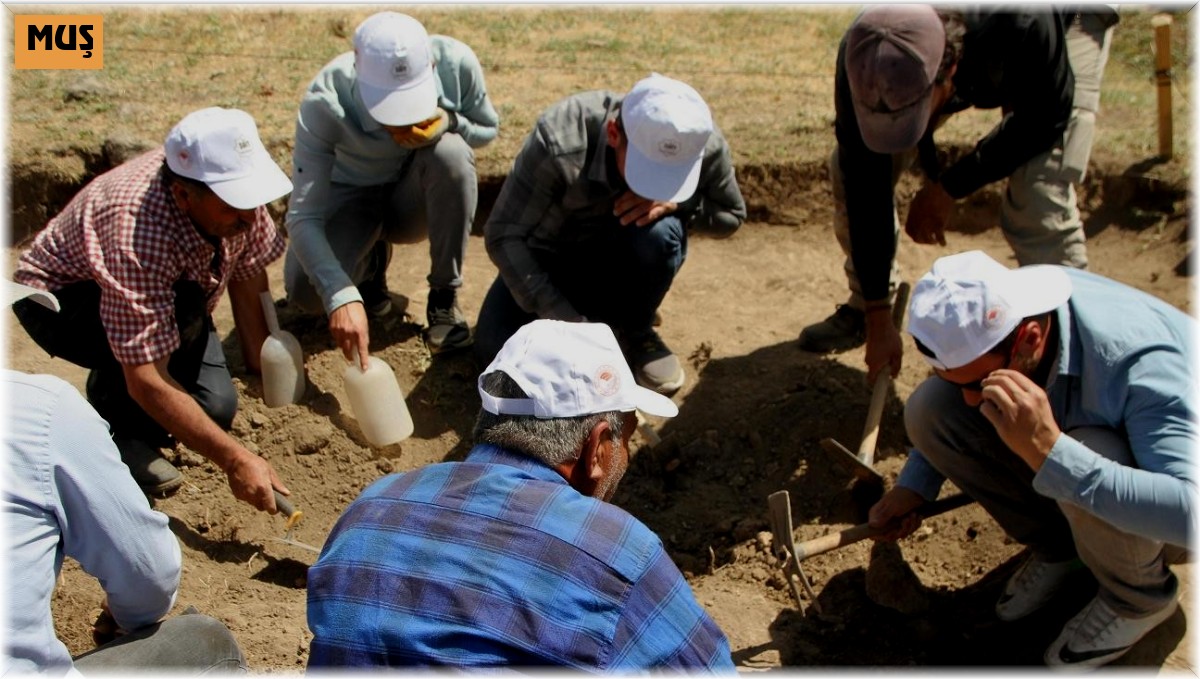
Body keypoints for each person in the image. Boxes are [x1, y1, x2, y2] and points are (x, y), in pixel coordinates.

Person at [307, 319, 735, 670]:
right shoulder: (617, 553)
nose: (627, 452)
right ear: (597, 448)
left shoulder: (370, 509)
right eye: (627, 436)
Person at [868, 250, 1193, 668]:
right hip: (1093, 440)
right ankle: (1061, 550)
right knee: (931, 408)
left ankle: (1139, 598)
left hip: (1174, 512)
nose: (972, 401)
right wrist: (916, 484)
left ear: (1030, 340)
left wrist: (1053, 454)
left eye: (980, 382)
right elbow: (959, 396)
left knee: (1088, 452)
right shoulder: (1003, 305)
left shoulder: (1141, 365)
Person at [798, 5, 1120, 385]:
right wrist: (878, 314)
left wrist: (949, 187)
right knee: (848, 169)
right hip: (974, 49)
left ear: (948, 74)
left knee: (1037, 194)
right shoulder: (866, 50)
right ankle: (866, 303)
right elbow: (865, 183)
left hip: (1066, 21)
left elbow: (1045, 116)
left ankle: (1074, 359)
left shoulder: (1022, 21)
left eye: (912, 113)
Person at [13, 107, 294, 513]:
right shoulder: (135, 233)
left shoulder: (238, 202)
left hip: (170, 297)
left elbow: (248, 274)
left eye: (253, 200)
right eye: (235, 205)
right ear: (184, 195)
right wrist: (236, 460)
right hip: (62, 301)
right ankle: (110, 429)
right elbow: (146, 378)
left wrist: (263, 365)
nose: (250, 217)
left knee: (216, 408)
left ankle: (136, 384)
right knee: (164, 344)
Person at [475, 72, 746, 396]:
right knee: (496, 354)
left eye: (671, 175)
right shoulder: (562, 139)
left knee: (660, 235)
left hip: (624, 260)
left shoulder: (700, 142)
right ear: (615, 133)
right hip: (551, 259)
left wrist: (680, 202)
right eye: (647, 170)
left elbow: (731, 215)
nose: (654, 186)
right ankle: (590, 329)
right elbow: (503, 234)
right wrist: (569, 324)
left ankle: (634, 328)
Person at [284, 11, 500, 365]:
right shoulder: (325, 100)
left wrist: (451, 120)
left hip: (412, 197)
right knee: (306, 292)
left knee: (452, 154)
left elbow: (487, 129)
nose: (400, 119)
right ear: (357, 69)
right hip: (352, 195)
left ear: (430, 65)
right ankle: (369, 268)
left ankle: (444, 298)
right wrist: (340, 295)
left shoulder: (456, 64)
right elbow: (302, 215)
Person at [3, 365, 247, 674]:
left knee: (219, 400)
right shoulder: (41, 409)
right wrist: (130, 616)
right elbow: (151, 573)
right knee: (207, 643)